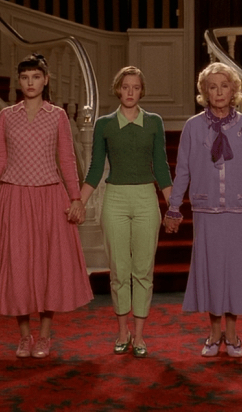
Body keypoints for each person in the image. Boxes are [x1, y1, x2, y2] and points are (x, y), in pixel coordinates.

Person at [0, 54, 93, 358]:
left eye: (36, 77)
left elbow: (66, 160)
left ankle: (44, 335)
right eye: (25, 77)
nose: (30, 82)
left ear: (46, 80)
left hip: (49, 198)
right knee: (18, 266)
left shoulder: (57, 116)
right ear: (19, 81)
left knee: (47, 267)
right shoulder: (6, 116)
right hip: (14, 197)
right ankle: (24, 336)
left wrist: (75, 198)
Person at [164, 62, 242, 358]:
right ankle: (214, 334)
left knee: (235, 273)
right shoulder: (193, 126)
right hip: (206, 209)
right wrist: (174, 207)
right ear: (204, 92)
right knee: (212, 272)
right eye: (212, 87)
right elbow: (184, 171)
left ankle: (233, 334)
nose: (218, 92)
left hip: (238, 210)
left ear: (234, 90)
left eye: (224, 86)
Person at [79, 66, 172, 358]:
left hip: (146, 198)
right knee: (119, 271)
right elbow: (95, 169)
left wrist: (175, 205)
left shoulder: (154, 122)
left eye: (135, 87)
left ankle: (140, 336)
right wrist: (79, 201)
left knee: (143, 270)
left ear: (141, 91)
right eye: (125, 87)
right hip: (115, 199)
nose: (130, 92)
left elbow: (161, 167)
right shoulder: (105, 124)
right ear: (118, 90)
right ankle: (122, 332)